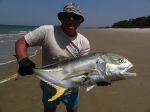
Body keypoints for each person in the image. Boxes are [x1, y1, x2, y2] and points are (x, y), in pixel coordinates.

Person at [15, 3, 90, 112]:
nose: (71, 19)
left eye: (75, 17)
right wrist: (23, 60)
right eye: (67, 15)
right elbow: (21, 42)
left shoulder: (84, 42)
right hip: (49, 86)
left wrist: (100, 78)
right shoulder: (47, 31)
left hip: (72, 90)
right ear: (60, 18)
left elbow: (84, 70)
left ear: (80, 21)